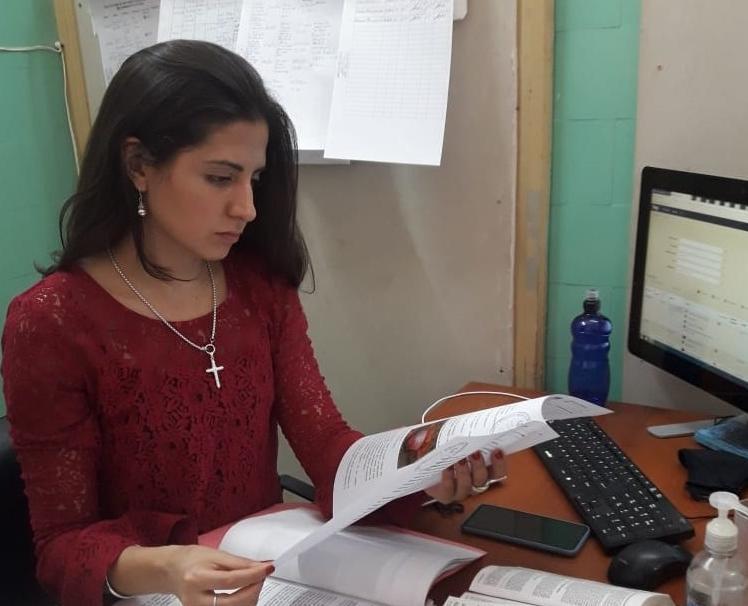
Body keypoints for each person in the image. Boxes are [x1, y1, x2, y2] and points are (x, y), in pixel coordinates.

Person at [1, 40, 505, 606]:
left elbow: (327, 446)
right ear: (139, 165)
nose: (247, 207)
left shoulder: (258, 289)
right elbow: (60, 547)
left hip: (267, 575)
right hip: (158, 591)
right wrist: (168, 567)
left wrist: (413, 465)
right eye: (221, 178)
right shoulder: (51, 322)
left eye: (254, 180)